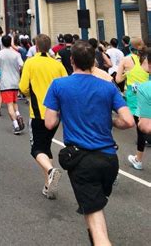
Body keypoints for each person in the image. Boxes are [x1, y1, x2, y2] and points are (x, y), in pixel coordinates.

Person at [44, 41, 134, 246]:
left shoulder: (59, 85)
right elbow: (128, 121)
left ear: (72, 61)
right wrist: (110, 121)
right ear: (94, 62)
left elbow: (49, 123)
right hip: (109, 160)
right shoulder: (107, 87)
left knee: (96, 221)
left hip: (83, 160)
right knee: (94, 210)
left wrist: (64, 112)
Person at [19, 34, 68, 199]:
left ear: (36, 47)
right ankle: (48, 185)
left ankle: (50, 171)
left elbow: (23, 86)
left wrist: (30, 96)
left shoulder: (31, 63)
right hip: (56, 112)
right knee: (46, 146)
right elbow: (66, 84)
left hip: (38, 111)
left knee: (36, 149)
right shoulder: (57, 65)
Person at [115, 39, 149, 170]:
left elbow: (118, 79)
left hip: (135, 103)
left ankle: (138, 160)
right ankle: (137, 159)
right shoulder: (147, 61)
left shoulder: (126, 60)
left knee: (141, 131)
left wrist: (126, 74)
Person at [0, 35, 24, 134]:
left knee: (9, 105)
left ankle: (16, 125)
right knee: (15, 102)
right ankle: (18, 114)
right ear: (11, 42)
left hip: (5, 82)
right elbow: (22, 65)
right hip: (16, 81)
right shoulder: (16, 54)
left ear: (2, 43)